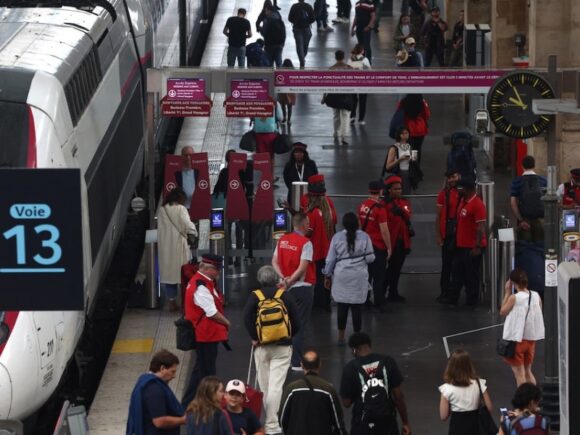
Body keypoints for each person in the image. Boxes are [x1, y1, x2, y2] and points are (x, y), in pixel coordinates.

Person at [242, 265, 301, 435]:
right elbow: (297, 322)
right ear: (276, 279)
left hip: (261, 347)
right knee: (276, 387)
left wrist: (255, 337)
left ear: (260, 280)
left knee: (265, 386)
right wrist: (287, 336)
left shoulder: (256, 296)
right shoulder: (285, 296)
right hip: (282, 347)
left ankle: (267, 422)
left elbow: (246, 318)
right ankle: (272, 425)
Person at [182, 254, 230, 407]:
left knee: (200, 371)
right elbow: (211, 312)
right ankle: (209, 403)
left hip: (207, 334)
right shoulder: (201, 286)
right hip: (205, 335)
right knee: (207, 372)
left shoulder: (203, 282)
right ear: (208, 269)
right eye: (216, 269)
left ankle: (189, 403)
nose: (218, 272)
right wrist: (227, 322)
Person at [340, 332, 411, 435]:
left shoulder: (350, 368)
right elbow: (398, 396)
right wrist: (405, 422)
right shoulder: (388, 361)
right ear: (370, 345)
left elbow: (346, 403)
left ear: (354, 350)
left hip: (362, 425)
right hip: (387, 423)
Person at [272, 211, 316, 369]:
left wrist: (283, 278)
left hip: (285, 288)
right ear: (304, 225)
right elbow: (303, 267)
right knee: (299, 325)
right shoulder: (306, 243)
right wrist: (290, 281)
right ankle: (296, 362)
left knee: (286, 323)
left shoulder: (282, 239)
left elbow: (274, 261)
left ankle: (282, 358)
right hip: (301, 289)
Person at [323, 212, 375, 344]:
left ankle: (341, 337)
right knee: (357, 307)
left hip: (342, 276)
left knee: (342, 306)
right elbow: (370, 258)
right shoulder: (365, 237)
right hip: (359, 276)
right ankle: (357, 338)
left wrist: (327, 275)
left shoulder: (336, 237)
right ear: (357, 223)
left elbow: (330, 260)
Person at [279, 350, 347, 435]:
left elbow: (282, 418)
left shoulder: (291, 388)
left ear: (302, 365)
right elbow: (338, 421)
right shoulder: (328, 389)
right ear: (320, 364)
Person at [442, 179, 486, 306]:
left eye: (460, 188)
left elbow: (481, 227)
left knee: (471, 275)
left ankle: (472, 300)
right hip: (461, 246)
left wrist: (477, 246)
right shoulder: (463, 202)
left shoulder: (477, 204)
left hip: (471, 247)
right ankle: (453, 297)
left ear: (466, 189)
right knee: (457, 273)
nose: (457, 191)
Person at [500, 269, 545, 386]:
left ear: (512, 283)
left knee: (519, 375)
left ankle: (524, 402)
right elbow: (539, 311)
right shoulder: (535, 295)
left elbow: (502, 311)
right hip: (531, 340)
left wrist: (507, 293)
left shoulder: (514, 298)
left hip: (517, 340)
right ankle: (534, 399)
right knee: (528, 371)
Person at [157, 187, 197, 312]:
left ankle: (171, 302)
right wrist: (193, 232)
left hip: (165, 246)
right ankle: (185, 302)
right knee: (183, 274)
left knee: (169, 276)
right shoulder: (181, 209)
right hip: (178, 245)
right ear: (180, 198)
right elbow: (187, 224)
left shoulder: (162, 210)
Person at [127, 349, 186, 435]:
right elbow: (160, 421)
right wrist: (183, 420)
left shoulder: (143, 380)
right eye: (172, 371)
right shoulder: (154, 389)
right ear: (162, 368)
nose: (174, 376)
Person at [301, 174, 337, 311]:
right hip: (328, 248)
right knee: (327, 276)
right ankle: (326, 303)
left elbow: (308, 231)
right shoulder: (328, 205)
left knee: (316, 279)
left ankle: (318, 304)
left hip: (315, 250)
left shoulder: (312, 212)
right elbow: (334, 222)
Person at [438, 349, 494, 435]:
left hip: (457, 427)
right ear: (469, 365)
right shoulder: (479, 383)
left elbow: (443, 416)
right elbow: (489, 408)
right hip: (476, 426)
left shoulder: (446, 389)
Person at [358, 180, 392, 312]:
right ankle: (379, 302)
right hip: (377, 247)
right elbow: (384, 230)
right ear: (381, 191)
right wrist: (389, 247)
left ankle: (365, 300)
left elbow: (360, 226)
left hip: (365, 246)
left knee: (367, 275)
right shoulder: (379, 208)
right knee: (378, 277)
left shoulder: (363, 205)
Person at [383, 175, 412, 303]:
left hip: (402, 241)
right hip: (390, 242)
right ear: (389, 190)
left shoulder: (404, 202)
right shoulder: (384, 204)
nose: (399, 191)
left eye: (400, 189)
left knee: (396, 269)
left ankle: (392, 292)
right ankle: (383, 291)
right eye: (396, 189)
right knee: (391, 269)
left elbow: (407, 215)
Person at [435, 168, 460, 303]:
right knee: (447, 264)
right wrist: (439, 235)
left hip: (459, 232)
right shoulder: (443, 194)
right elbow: (438, 216)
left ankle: (453, 292)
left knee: (456, 264)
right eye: (450, 177)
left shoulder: (462, 193)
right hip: (449, 232)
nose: (452, 180)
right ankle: (445, 291)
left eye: (454, 176)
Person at [510, 155, 547, 243]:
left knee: (525, 248)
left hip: (524, 220)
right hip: (540, 220)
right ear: (534, 166)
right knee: (540, 247)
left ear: (522, 166)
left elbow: (513, 203)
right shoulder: (543, 181)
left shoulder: (517, 182)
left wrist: (520, 220)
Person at [328, 50, 353, 145]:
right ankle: (344, 137)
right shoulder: (349, 68)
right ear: (344, 57)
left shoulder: (331, 69)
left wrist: (324, 97)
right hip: (346, 95)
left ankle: (335, 132)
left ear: (335, 57)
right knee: (345, 116)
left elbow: (327, 84)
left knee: (336, 116)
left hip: (334, 95)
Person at [400, 94, 430, 169]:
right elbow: (427, 115)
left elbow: (399, 114)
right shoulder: (422, 102)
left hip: (407, 129)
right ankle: (415, 166)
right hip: (420, 129)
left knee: (407, 148)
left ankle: (407, 166)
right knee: (416, 149)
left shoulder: (403, 101)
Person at [383, 126, 412, 195]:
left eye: (406, 133)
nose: (405, 135)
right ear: (399, 135)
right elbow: (388, 166)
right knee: (399, 193)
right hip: (399, 173)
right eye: (403, 133)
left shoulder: (409, 146)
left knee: (407, 193)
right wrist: (399, 159)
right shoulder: (394, 148)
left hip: (409, 173)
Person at [347, 44, 371, 125]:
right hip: (363, 83)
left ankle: (352, 117)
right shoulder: (365, 60)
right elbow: (369, 71)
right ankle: (361, 119)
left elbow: (347, 70)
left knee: (353, 100)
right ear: (362, 51)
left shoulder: (350, 59)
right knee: (362, 101)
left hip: (353, 82)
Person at [288, 0, 316, 68]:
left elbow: (290, 18)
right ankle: (302, 59)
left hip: (297, 28)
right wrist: (307, 22)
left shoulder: (294, 6)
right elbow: (313, 18)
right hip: (306, 28)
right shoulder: (308, 6)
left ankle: (302, 61)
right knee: (305, 46)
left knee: (299, 46)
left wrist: (295, 22)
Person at [278, 59, 297, 125]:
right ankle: (289, 120)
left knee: (283, 105)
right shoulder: (293, 71)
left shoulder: (281, 70)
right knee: (290, 106)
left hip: (282, 91)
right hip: (290, 91)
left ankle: (284, 117)